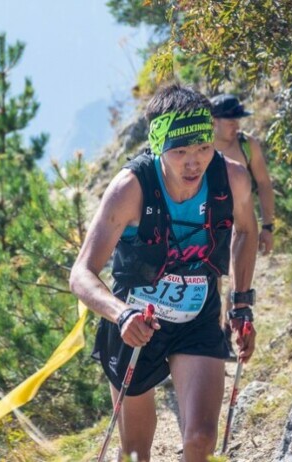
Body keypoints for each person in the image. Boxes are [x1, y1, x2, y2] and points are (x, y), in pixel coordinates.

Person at [70, 84, 258, 462]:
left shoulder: (232, 179)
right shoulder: (130, 189)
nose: (194, 163)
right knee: (136, 452)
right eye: (180, 152)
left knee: (201, 438)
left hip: (197, 317)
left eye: (203, 148)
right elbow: (81, 273)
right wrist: (122, 315)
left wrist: (241, 304)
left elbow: (246, 231)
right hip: (137, 323)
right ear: (158, 146)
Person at [210, 93, 275, 360]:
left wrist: (268, 226)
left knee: (237, 279)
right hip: (209, 224)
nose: (236, 125)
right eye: (230, 121)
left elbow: (264, 184)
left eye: (238, 119)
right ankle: (214, 336)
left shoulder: (248, 145)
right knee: (212, 281)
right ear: (213, 121)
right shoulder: (201, 149)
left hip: (240, 223)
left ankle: (228, 331)